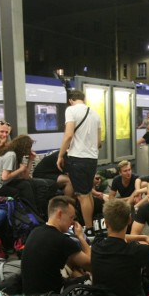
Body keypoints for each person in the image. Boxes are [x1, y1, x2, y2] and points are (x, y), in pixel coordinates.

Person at [21, 196, 91, 296]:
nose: (72, 223)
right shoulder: (61, 240)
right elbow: (90, 263)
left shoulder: (35, 231)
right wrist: (80, 237)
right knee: (90, 279)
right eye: (71, 218)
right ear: (59, 214)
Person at [57, 90, 101, 230]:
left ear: (71, 100)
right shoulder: (95, 114)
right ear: (83, 99)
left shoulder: (71, 110)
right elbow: (99, 142)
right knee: (88, 193)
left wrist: (60, 155)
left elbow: (68, 135)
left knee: (82, 196)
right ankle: (92, 226)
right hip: (92, 159)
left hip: (78, 158)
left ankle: (88, 229)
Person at [0, 134, 48, 214]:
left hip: (1, 184)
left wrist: (30, 160)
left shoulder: (17, 156)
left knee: (26, 184)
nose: (30, 150)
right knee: (20, 191)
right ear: (23, 147)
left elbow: (26, 177)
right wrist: (20, 170)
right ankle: (31, 213)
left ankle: (34, 212)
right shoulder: (11, 155)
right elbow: (5, 177)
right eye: (28, 147)